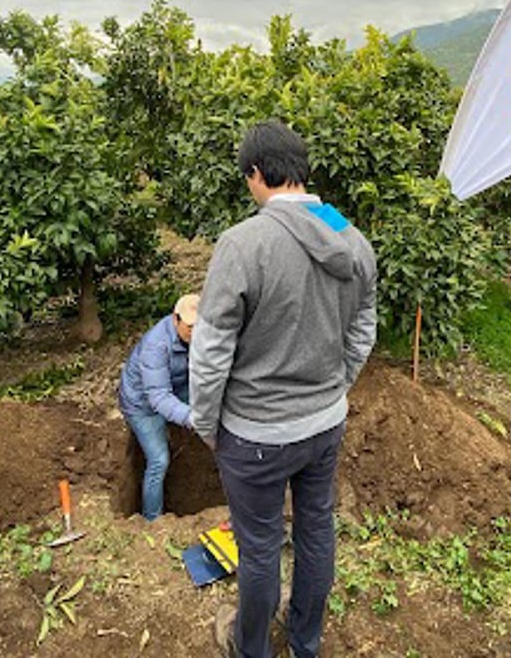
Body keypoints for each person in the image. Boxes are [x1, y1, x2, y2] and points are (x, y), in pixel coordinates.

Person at [190, 121, 377, 658]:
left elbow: (210, 351)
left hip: (255, 434)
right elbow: (364, 328)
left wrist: (207, 424)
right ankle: (305, 642)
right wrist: (334, 388)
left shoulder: (243, 244)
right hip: (324, 423)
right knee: (316, 530)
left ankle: (251, 648)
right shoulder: (350, 237)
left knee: (260, 548)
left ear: (255, 173)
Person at [118, 293, 199, 521]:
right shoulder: (156, 346)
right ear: (176, 319)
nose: (196, 332)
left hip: (176, 385)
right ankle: (153, 519)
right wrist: (192, 417)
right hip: (143, 404)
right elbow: (159, 398)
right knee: (159, 460)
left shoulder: (200, 334)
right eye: (190, 326)